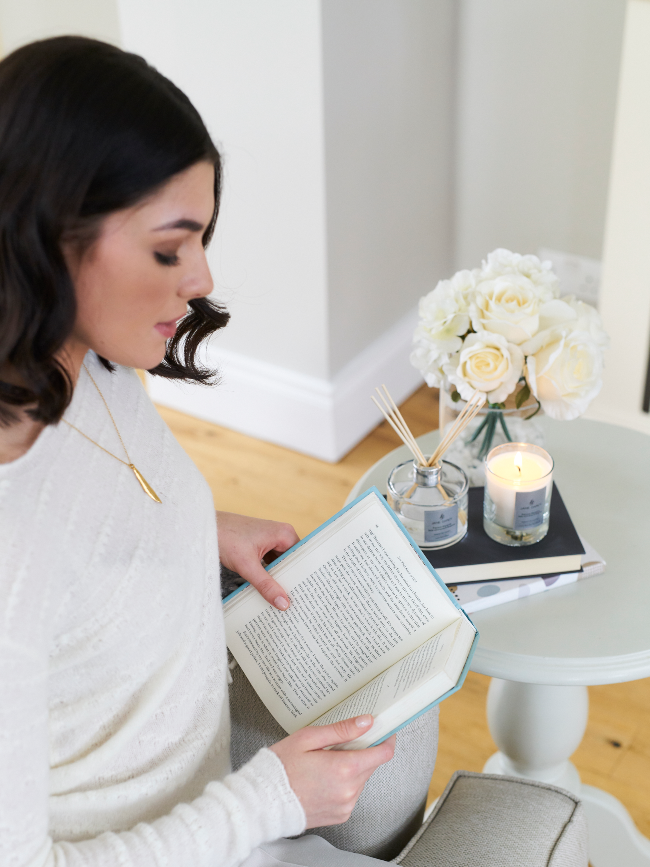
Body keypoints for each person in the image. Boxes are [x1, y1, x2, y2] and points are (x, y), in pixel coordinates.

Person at [0, 36, 397, 867]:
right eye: (169, 248)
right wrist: (270, 799)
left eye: (202, 238)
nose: (202, 279)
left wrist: (190, 526)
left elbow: (91, 511)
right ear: (46, 229)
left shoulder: (86, 361)